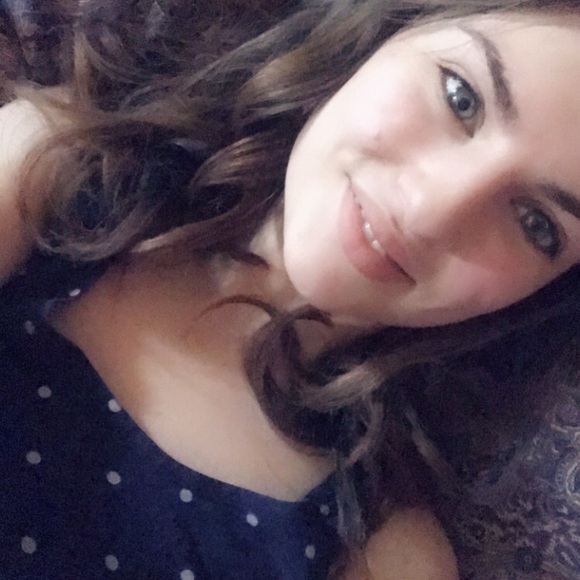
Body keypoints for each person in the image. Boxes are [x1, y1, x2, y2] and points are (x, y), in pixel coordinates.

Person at [0, 0, 579, 578]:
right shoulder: (51, 168)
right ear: (380, 31)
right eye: (461, 97)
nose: (429, 212)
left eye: (537, 224)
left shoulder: (387, 553)